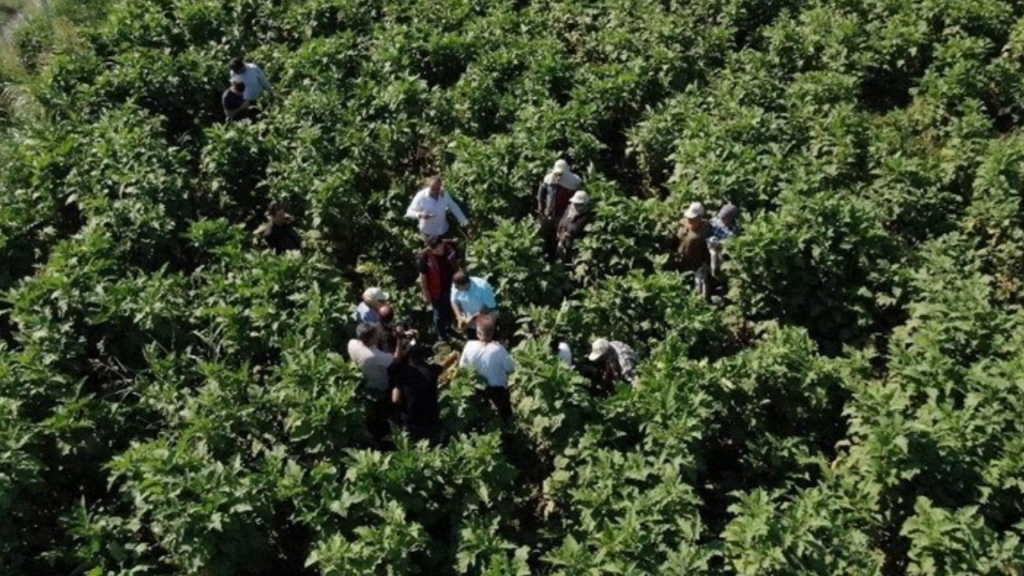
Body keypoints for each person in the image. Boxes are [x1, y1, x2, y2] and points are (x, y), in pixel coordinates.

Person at [389, 337, 459, 443]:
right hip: (430, 418)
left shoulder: (401, 373)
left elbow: (395, 399)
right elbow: (442, 366)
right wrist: (454, 356)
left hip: (411, 421)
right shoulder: (430, 371)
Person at [459, 315, 515, 420]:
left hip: (478, 385)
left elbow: (462, 367)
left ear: (477, 333)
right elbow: (510, 368)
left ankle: (487, 423)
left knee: (483, 410)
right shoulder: (499, 349)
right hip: (498, 387)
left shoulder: (469, 345)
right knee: (505, 411)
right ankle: (510, 427)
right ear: (493, 332)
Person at [347, 323, 395, 441]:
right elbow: (396, 359)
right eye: (376, 335)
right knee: (385, 407)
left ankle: (374, 427)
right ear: (371, 338)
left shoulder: (352, 344)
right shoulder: (374, 356)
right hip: (381, 385)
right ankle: (384, 431)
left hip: (366, 382)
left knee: (375, 409)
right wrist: (401, 344)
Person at [418, 235, 462, 340]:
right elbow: (423, 278)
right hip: (436, 291)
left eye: (437, 247)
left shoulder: (450, 247)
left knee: (451, 309)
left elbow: (459, 260)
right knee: (438, 316)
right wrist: (426, 293)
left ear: (442, 244)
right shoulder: (425, 258)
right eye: (432, 248)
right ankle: (442, 335)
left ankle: (450, 327)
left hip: (452, 287)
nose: (435, 250)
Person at [537, 160, 580, 260]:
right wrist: (541, 208)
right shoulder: (549, 181)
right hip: (549, 214)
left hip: (562, 215)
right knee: (546, 236)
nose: (558, 177)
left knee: (561, 239)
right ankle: (546, 255)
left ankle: (560, 260)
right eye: (556, 174)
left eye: (561, 175)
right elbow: (541, 194)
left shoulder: (572, 183)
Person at [405, 176, 470, 239]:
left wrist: (465, 223)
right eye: (433, 189)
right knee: (435, 250)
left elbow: (454, 208)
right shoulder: (421, 196)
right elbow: (409, 212)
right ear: (428, 186)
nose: (435, 191)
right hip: (429, 233)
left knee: (452, 249)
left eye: (437, 189)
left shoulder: (444, 195)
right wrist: (420, 215)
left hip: (444, 230)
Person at [676, 202, 713, 299]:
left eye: (693, 219)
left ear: (700, 217)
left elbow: (708, 248)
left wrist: (706, 264)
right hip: (682, 260)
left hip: (698, 263)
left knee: (700, 287)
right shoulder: (683, 224)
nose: (690, 220)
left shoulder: (705, 230)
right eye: (689, 218)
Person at [450, 272, 498, 340]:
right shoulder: (456, 285)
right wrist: (459, 317)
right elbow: (454, 302)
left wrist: (473, 317)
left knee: (489, 342)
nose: (455, 288)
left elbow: (490, 306)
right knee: (473, 341)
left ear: (465, 285)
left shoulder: (482, 286)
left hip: (485, 319)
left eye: (457, 287)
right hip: (470, 322)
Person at [556, 191, 594, 263]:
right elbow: (563, 219)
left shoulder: (587, 215)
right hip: (563, 238)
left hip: (575, 243)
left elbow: (576, 227)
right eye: (575, 204)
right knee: (559, 257)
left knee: (571, 260)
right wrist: (559, 231)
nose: (576, 206)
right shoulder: (570, 208)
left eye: (579, 204)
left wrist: (568, 233)